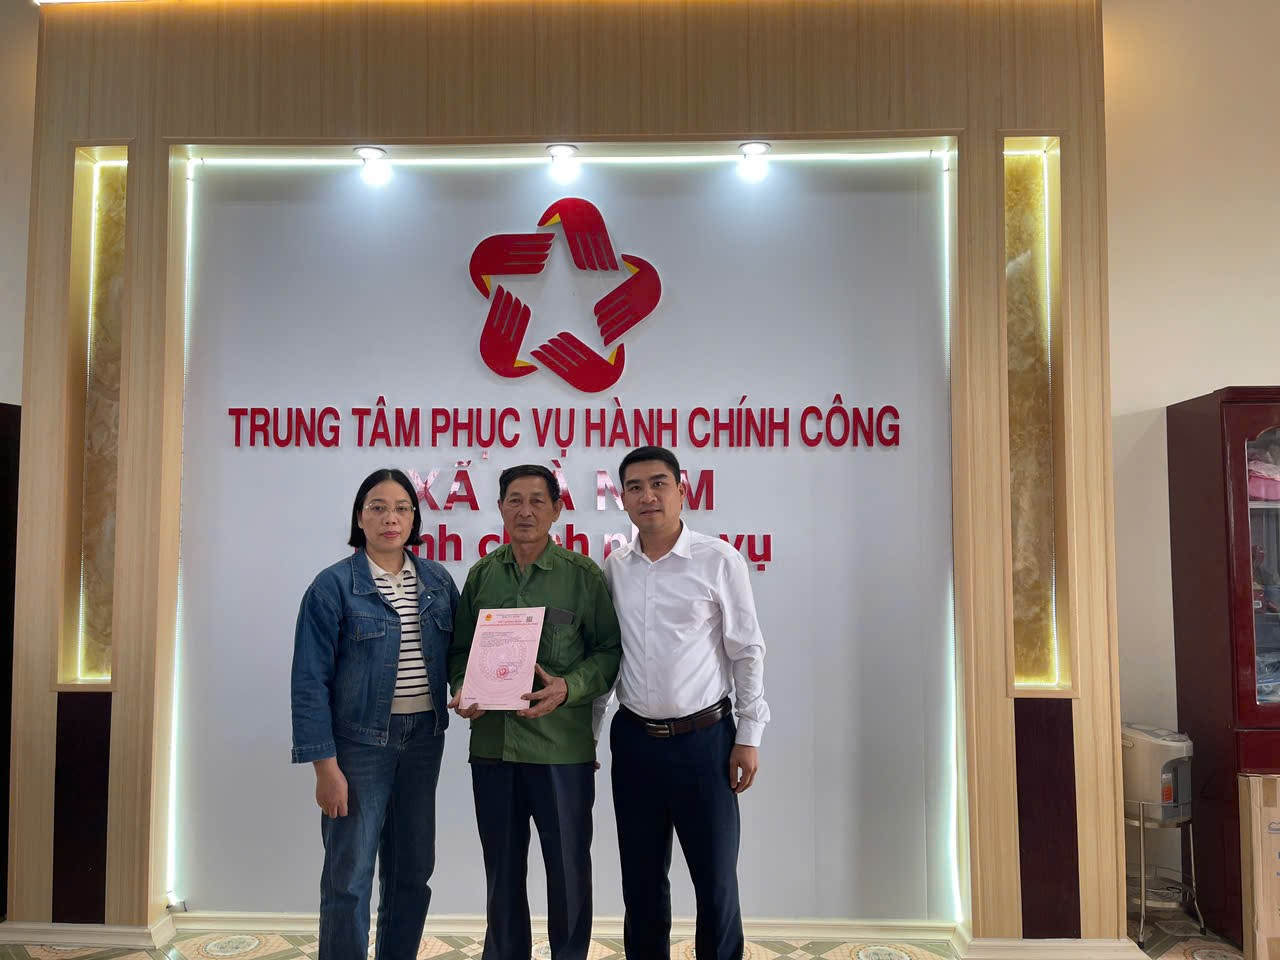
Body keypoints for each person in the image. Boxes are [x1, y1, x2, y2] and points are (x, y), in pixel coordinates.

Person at [598, 445, 769, 960]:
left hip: (705, 742)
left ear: (681, 489)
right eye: (634, 487)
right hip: (635, 743)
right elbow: (608, 657)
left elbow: (747, 650)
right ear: (623, 498)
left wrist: (749, 736)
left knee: (715, 882)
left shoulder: (718, 560)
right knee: (641, 883)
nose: (647, 496)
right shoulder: (615, 567)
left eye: (658, 484)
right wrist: (588, 737)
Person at [448, 464, 621, 960]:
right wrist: (462, 687)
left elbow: (609, 652)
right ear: (500, 508)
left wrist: (568, 687)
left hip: (560, 751)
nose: (525, 511)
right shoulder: (482, 576)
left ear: (557, 510)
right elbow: (459, 652)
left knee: (568, 871)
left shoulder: (582, 576)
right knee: (501, 872)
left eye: (537, 501)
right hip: (493, 749)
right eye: (515, 500)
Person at [291, 468, 459, 960]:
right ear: (360, 517)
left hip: (424, 741)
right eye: (378, 508)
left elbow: (459, 654)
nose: (391, 518)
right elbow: (309, 682)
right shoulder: (332, 587)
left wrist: (473, 686)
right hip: (358, 745)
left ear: (414, 518)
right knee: (349, 877)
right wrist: (325, 767)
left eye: (402, 508)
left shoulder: (436, 581)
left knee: (413, 871)